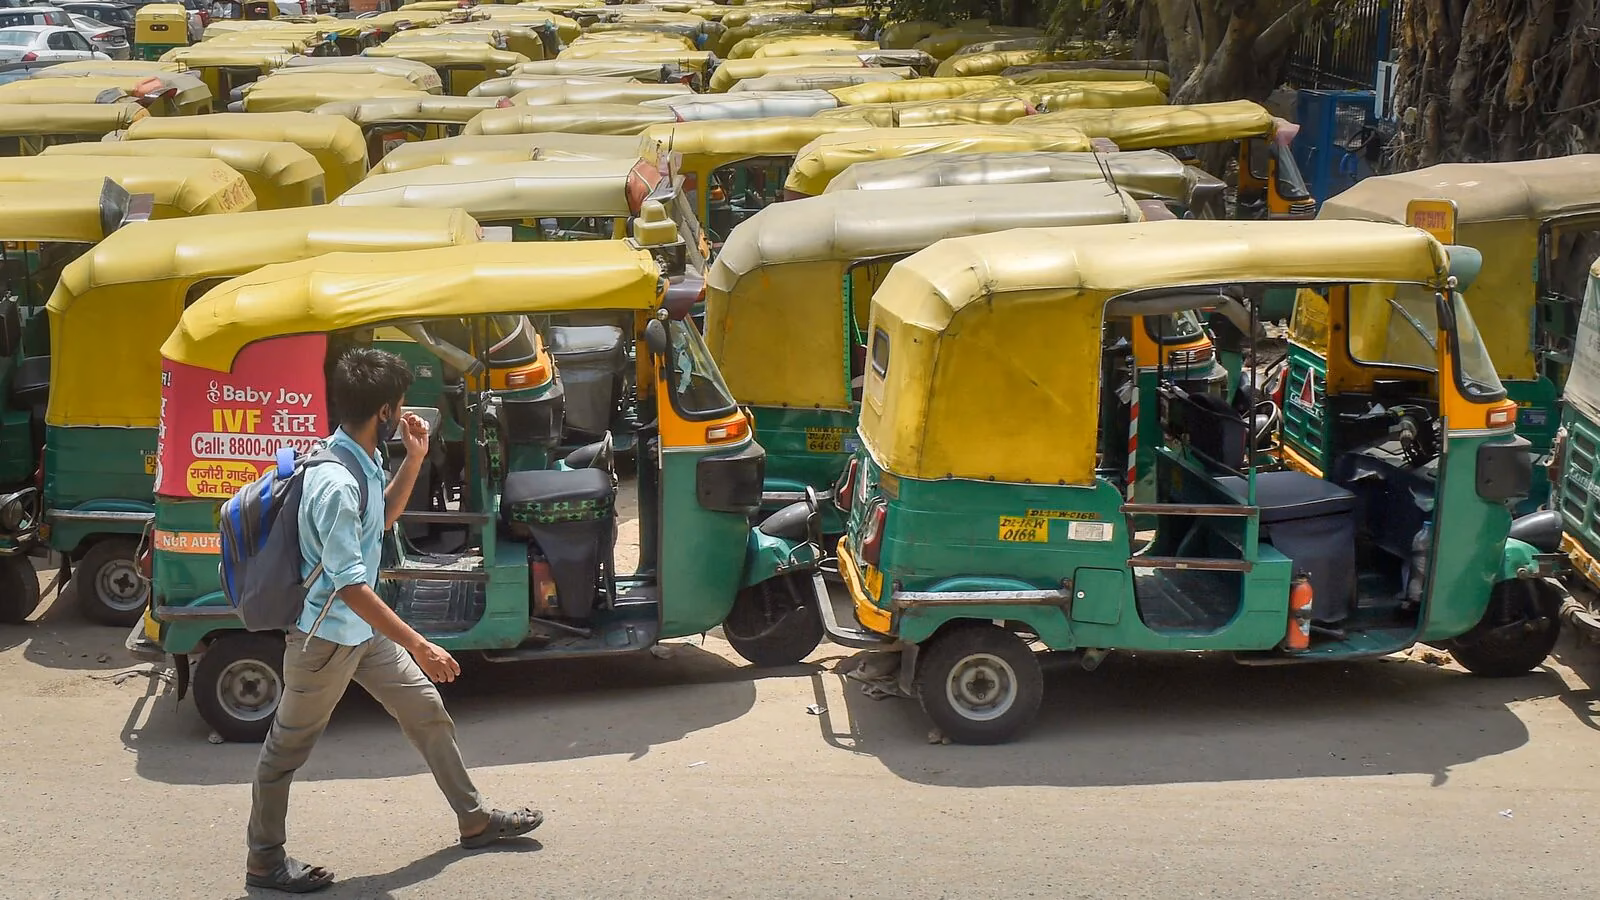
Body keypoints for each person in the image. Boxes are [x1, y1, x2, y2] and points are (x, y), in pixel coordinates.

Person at [246, 347, 541, 894]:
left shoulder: (358, 457)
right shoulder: (333, 481)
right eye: (400, 406)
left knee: (426, 711)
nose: (405, 413)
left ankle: (474, 820)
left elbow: (381, 518)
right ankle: (264, 860)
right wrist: (421, 644)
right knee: (283, 753)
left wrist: (414, 457)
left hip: (361, 634)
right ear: (384, 411)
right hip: (325, 643)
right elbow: (349, 585)